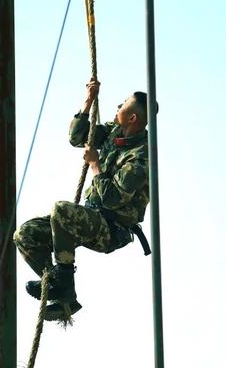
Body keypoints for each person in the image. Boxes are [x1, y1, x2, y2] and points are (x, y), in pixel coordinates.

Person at [13, 78, 156, 321]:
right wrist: (88, 101)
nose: (118, 106)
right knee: (25, 235)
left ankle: (64, 283)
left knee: (62, 210)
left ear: (133, 118)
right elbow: (78, 137)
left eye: (123, 105)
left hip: (111, 228)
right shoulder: (115, 132)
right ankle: (63, 294)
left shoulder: (141, 158)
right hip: (89, 217)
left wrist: (95, 165)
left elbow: (112, 198)